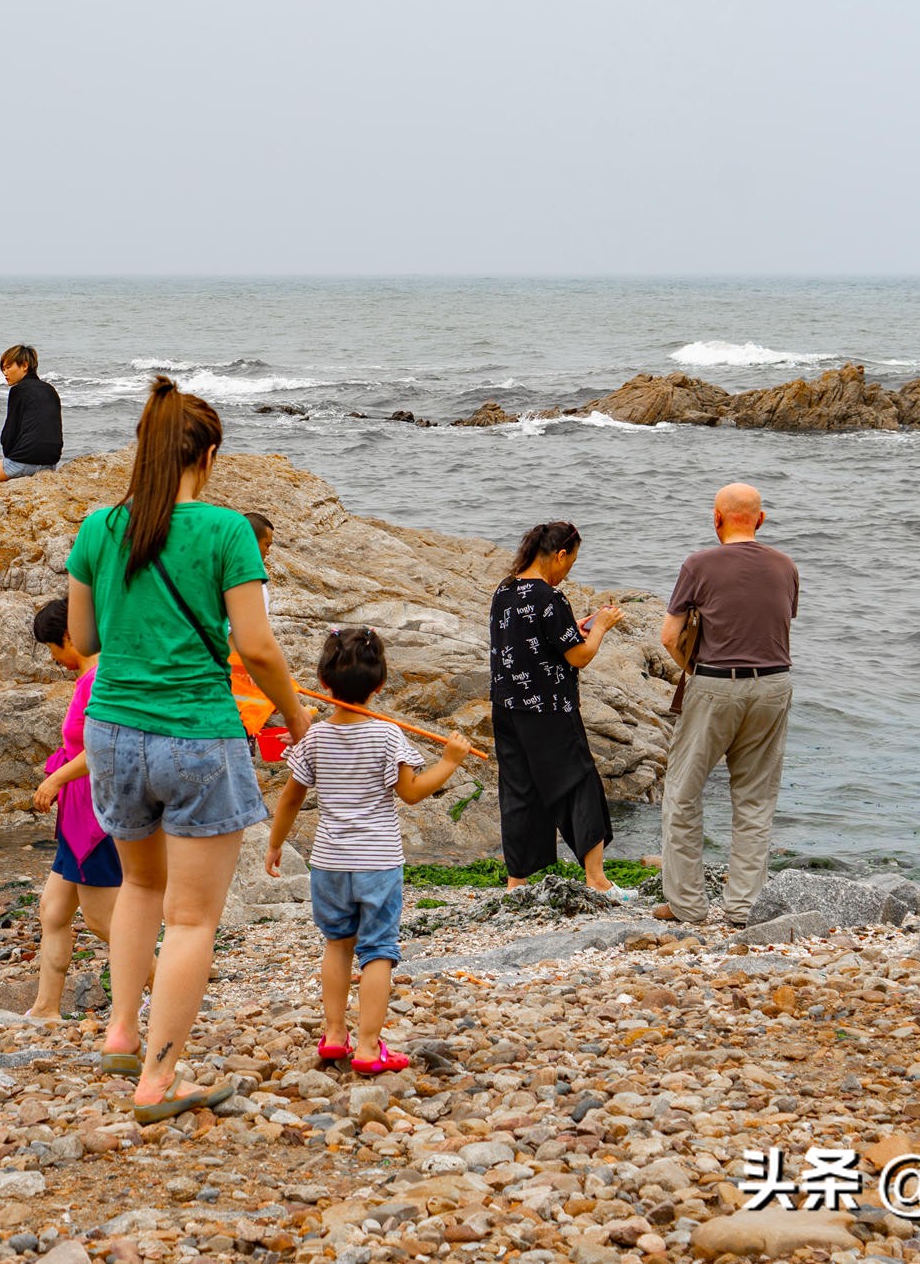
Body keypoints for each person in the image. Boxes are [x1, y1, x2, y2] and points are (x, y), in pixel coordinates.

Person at [66, 376, 309, 1122]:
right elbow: (258, 647)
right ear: (209, 452)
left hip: (111, 731)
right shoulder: (227, 530)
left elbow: (83, 641)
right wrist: (299, 720)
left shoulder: (99, 526)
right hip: (197, 734)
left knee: (139, 887)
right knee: (193, 916)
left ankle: (120, 1031)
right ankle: (158, 1079)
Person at [264, 627, 470, 1075]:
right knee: (378, 950)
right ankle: (369, 1046)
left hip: (330, 863)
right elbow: (412, 793)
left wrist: (276, 843)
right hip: (377, 861)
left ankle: (335, 1035)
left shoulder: (312, 738)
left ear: (322, 682)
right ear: (379, 685)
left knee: (337, 944)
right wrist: (450, 762)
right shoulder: (388, 736)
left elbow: (291, 798)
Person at [654, 483, 800, 927]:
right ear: (761, 519)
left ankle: (687, 906)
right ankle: (743, 907)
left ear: (716, 519)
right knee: (755, 800)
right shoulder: (785, 566)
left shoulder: (698, 564)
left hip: (716, 684)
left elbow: (668, 636)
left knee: (682, 795)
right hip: (774, 685)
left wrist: (694, 670)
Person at [488, 521, 633, 896]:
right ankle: (597, 880)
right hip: (549, 708)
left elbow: (528, 638)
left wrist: (574, 625)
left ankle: (516, 884)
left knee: (519, 788)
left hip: (507, 707)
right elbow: (579, 655)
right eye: (571, 562)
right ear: (560, 554)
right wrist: (600, 626)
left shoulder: (504, 591)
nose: (569, 570)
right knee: (579, 782)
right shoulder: (550, 599)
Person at [26, 598, 119, 1023]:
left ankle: (174, 985)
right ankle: (45, 1008)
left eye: (52, 649)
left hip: (97, 819)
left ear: (68, 636)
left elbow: (103, 746)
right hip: (77, 817)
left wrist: (56, 778)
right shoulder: (88, 676)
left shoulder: (99, 677)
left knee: (103, 921)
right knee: (53, 910)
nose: (54, 660)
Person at [0, 345, 65, 491]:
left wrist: (9, 458)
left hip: (25, 461)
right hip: (50, 463)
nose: (5, 373)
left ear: (25, 366)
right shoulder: (49, 389)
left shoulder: (19, 390)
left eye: (8, 367)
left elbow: (10, 431)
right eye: (3, 369)